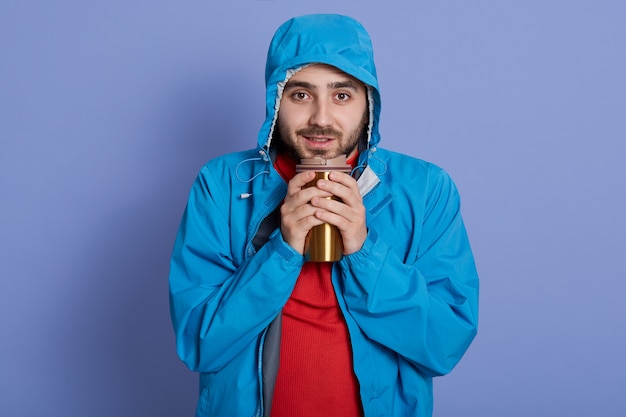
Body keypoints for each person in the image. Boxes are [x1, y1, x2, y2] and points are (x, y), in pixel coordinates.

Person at [169, 13, 479, 417]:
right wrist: (281, 251)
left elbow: (444, 343)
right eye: (300, 95)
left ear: (369, 102)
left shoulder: (424, 190)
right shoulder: (222, 184)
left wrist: (364, 252)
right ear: (275, 101)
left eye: (342, 95)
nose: (321, 118)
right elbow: (199, 342)